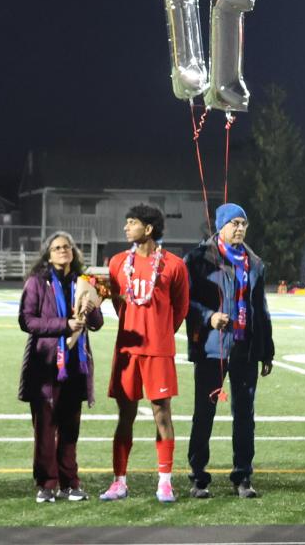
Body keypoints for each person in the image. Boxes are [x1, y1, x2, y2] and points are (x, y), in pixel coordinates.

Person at [184, 203, 275, 499]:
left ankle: (243, 476)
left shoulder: (254, 262)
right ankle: (198, 477)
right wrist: (209, 317)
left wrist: (267, 350)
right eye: (234, 223)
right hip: (212, 349)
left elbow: (261, 309)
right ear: (221, 225)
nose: (239, 228)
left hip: (245, 348)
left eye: (243, 223)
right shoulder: (199, 259)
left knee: (245, 414)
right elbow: (186, 302)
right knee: (204, 413)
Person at [102, 203, 190, 502]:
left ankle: (165, 481)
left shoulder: (174, 265)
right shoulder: (116, 263)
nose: (126, 227)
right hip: (128, 350)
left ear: (148, 229)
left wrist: (161, 332)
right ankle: (119, 481)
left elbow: (181, 308)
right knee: (124, 415)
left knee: (161, 414)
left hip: (158, 352)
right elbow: (117, 304)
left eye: (132, 223)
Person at [19, 231, 103, 502]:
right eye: (56, 247)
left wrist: (92, 307)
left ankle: (70, 482)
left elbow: (97, 324)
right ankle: (46, 483)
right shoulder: (37, 282)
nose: (62, 251)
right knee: (45, 428)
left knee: (70, 428)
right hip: (45, 365)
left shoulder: (83, 281)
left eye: (67, 247)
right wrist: (63, 325)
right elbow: (27, 321)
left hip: (76, 364)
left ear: (73, 252)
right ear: (48, 253)